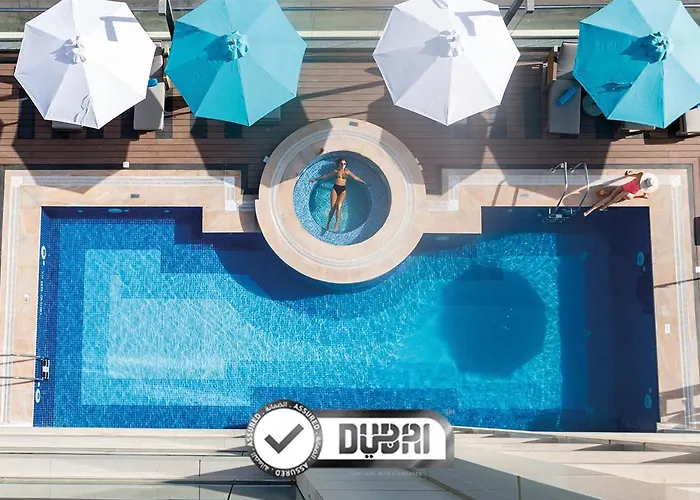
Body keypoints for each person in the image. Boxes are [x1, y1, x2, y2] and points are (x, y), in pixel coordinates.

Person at [309, 157, 367, 231]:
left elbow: (356, 178)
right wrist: (315, 179)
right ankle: (328, 222)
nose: (343, 165)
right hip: (335, 189)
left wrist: (364, 182)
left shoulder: (347, 172)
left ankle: (336, 223)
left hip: (343, 190)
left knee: (338, 207)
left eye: (344, 164)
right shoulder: (336, 171)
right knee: (332, 208)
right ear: (338, 164)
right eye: (341, 164)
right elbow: (326, 176)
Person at [583, 170, 659, 217]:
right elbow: (633, 175)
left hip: (629, 194)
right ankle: (590, 210)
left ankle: (606, 206)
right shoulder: (640, 175)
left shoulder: (644, 185)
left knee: (617, 197)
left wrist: (644, 195)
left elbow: (646, 192)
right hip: (624, 187)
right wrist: (628, 175)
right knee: (611, 196)